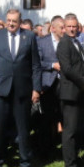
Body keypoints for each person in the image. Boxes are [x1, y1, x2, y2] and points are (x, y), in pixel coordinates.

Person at [0, 9, 41, 167]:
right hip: (0, 90)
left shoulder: (29, 37)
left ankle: (25, 165)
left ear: (20, 21)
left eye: (14, 21)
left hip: (22, 91)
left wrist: (36, 89)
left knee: (23, 130)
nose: (10, 23)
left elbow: (36, 66)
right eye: (8, 20)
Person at [57, 15, 84, 167]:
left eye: (75, 26)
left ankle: (75, 159)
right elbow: (67, 69)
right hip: (70, 93)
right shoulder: (64, 44)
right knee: (70, 131)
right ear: (64, 28)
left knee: (79, 128)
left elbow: (83, 63)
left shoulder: (77, 42)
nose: (72, 29)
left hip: (80, 92)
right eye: (69, 26)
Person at [35, 16, 63, 159]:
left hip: (63, 83)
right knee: (47, 117)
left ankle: (62, 146)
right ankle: (45, 149)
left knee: (62, 115)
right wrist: (53, 65)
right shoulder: (42, 42)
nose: (64, 30)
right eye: (61, 28)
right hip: (48, 84)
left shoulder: (66, 42)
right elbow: (37, 63)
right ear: (53, 28)